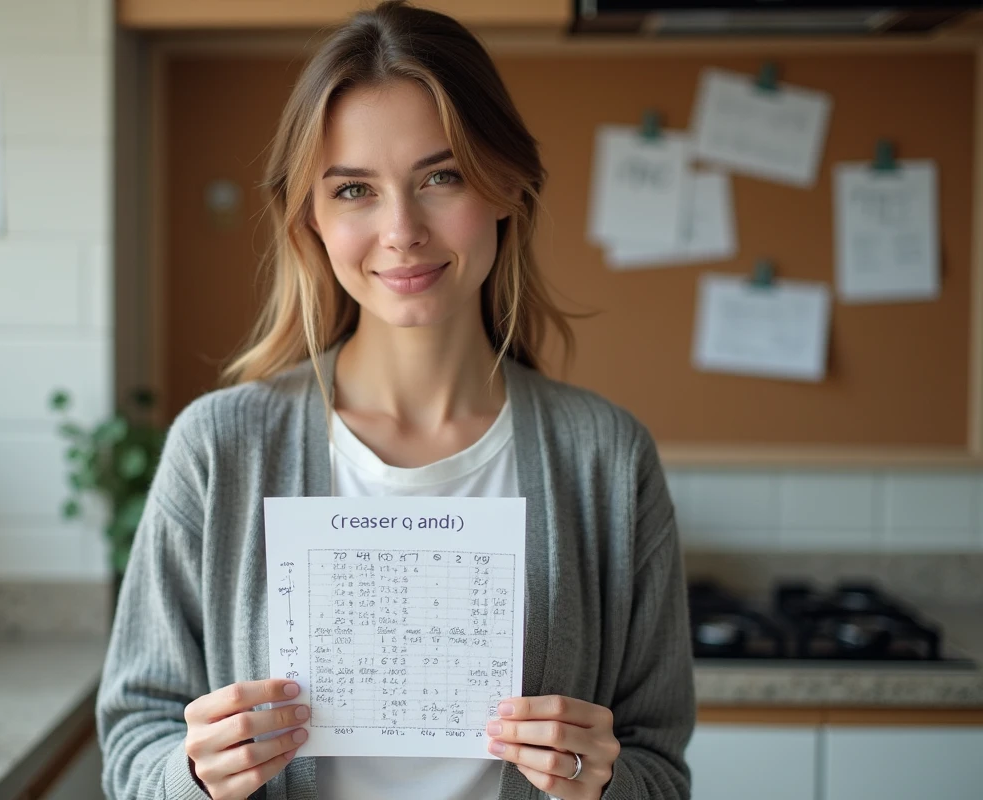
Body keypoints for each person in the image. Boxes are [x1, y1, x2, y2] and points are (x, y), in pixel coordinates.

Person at [96, 2, 695, 799]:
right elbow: (134, 750)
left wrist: (604, 782)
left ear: (508, 185)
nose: (402, 229)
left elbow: (661, 771)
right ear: (309, 217)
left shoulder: (607, 460)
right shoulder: (219, 447)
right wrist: (194, 773)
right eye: (353, 190)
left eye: (440, 177)